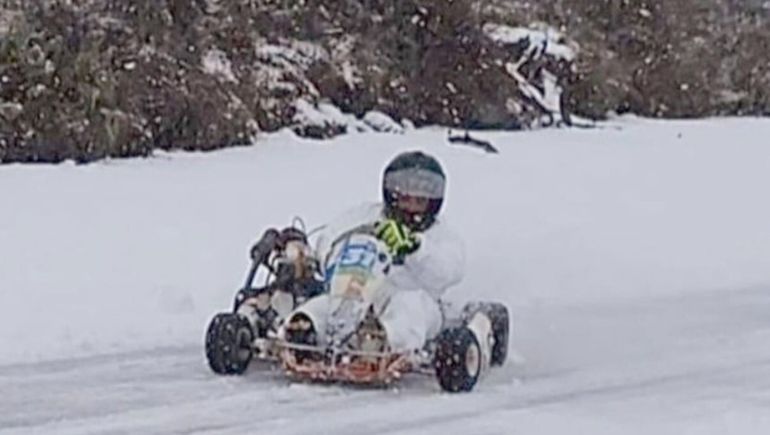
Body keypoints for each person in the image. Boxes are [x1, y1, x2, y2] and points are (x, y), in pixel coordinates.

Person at [285, 150, 465, 352]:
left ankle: (382, 342)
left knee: (409, 308)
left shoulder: (439, 234)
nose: (411, 207)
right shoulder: (365, 215)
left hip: (412, 296)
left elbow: (450, 270)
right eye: (406, 198)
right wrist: (329, 261)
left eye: (419, 202)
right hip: (361, 288)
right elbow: (330, 237)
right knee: (330, 303)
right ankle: (302, 330)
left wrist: (414, 249)